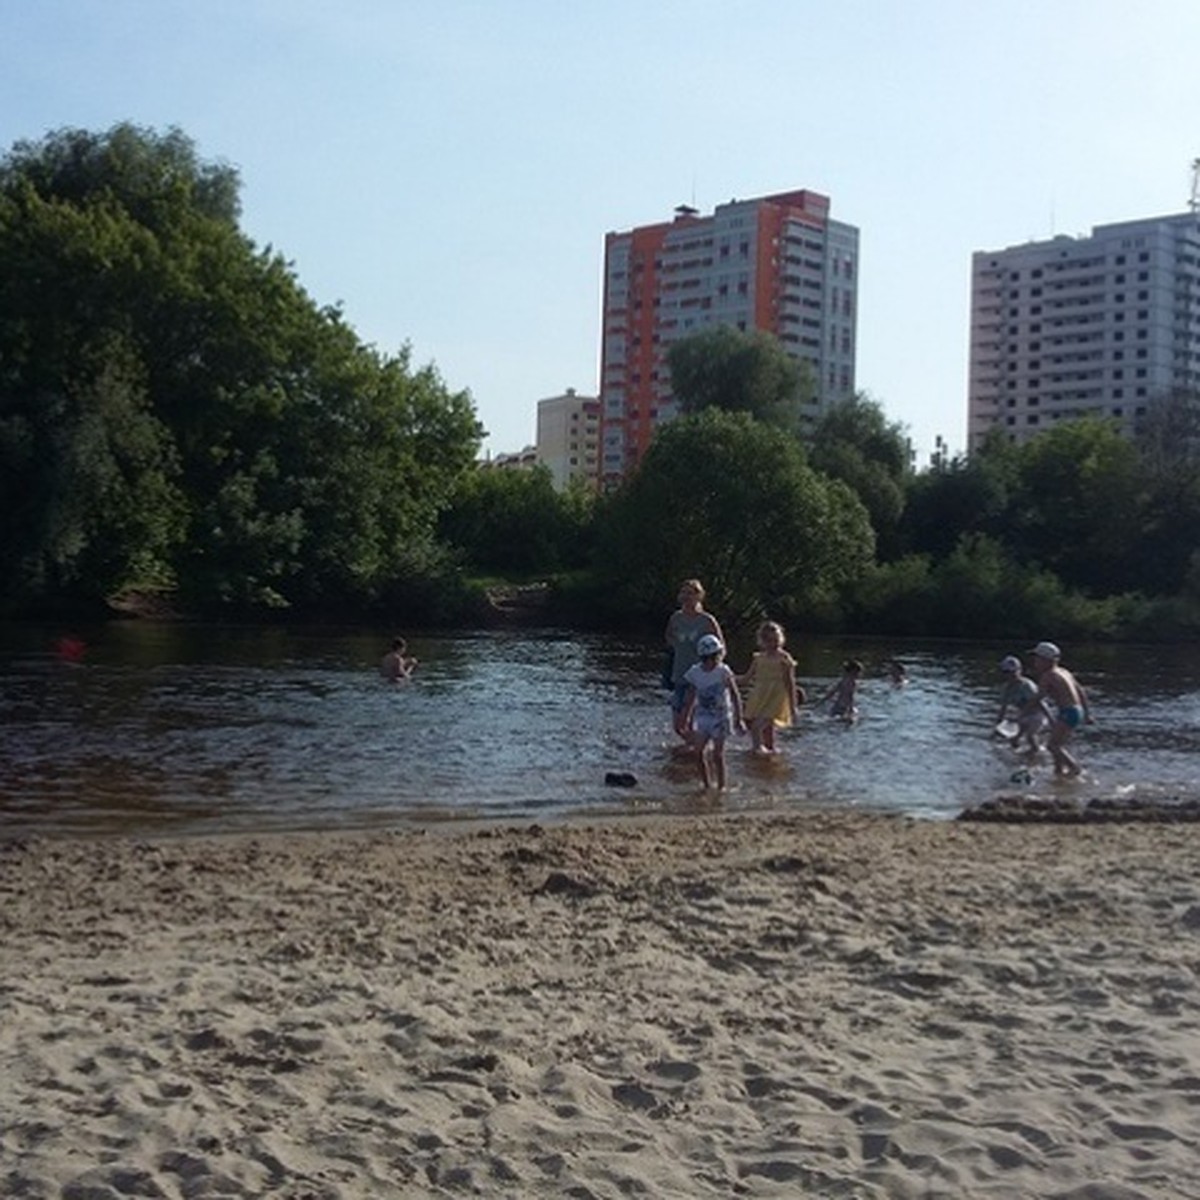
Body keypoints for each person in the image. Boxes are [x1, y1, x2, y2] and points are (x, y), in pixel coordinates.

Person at [681, 633, 745, 789]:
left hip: (721, 718)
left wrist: (739, 718)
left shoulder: (723, 671)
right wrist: (686, 718)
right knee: (698, 752)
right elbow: (690, 696)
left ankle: (722, 786)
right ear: (701, 657)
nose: (710, 662)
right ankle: (706, 784)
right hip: (703, 718)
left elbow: (735, 695)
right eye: (706, 658)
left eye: (714, 657)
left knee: (717, 754)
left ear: (720, 655)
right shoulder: (695, 672)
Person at [664, 579, 723, 744]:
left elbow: (721, 647)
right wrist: (676, 645)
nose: (686, 597)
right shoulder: (676, 618)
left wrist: (713, 669)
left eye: (691, 593)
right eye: (684, 592)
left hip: (700, 678)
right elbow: (668, 636)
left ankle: (697, 752)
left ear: (699, 596)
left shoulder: (707, 620)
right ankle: (696, 747)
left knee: (690, 721)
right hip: (679, 674)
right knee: (678, 726)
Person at [738, 620, 803, 754]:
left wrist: (793, 706)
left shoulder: (784, 658)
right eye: (768, 640)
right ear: (762, 640)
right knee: (767, 730)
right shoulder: (758, 658)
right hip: (760, 695)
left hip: (776, 697)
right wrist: (727, 678)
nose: (772, 644)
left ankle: (756, 751)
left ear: (780, 639)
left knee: (757, 727)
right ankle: (770, 754)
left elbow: (790, 682)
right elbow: (746, 678)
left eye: (775, 640)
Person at [1028, 641, 1090, 777]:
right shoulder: (1064, 672)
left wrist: (1025, 709)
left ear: (1046, 660)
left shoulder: (1048, 675)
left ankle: (1074, 768)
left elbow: (1039, 696)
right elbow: (1081, 691)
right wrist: (1087, 713)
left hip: (1068, 712)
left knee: (1053, 746)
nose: (1035, 662)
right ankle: (1059, 772)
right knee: (1057, 743)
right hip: (1076, 710)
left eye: (1037, 659)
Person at [995, 654, 1046, 754]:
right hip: (1023, 715)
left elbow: (1040, 702)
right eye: (1006, 672)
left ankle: (1037, 753)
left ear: (1019, 671)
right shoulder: (1007, 689)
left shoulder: (1027, 685)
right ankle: (1023, 758)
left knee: (1030, 736)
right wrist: (997, 725)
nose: (1009, 675)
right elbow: (1003, 708)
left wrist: (1052, 720)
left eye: (1012, 672)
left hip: (1038, 714)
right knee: (1014, 740)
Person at [822, 659, 863, 723]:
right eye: (858, 672)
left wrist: (821, 701)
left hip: (837, 706)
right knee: (851, 721)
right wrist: (851, 709)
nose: (859, 674)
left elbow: (832, 692)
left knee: (831, 720)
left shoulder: (843, 681)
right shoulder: (853, 683)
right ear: (853, 671)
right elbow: (850, 696)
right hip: (845, 707)